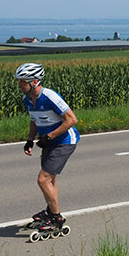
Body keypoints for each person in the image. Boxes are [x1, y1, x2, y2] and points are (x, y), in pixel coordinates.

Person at [16, 63, 80, 236]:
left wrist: (50, 136)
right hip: (49, 142)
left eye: (22, 81)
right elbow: (34, 120)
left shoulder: (50, 96)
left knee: (43, 179)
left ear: (34, 82)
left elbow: (72, 120)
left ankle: (56, 217)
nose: (19, 85)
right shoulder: (27, 99)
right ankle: (51, 211)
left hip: (64, 141)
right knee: (50, 181)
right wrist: (30, 140)